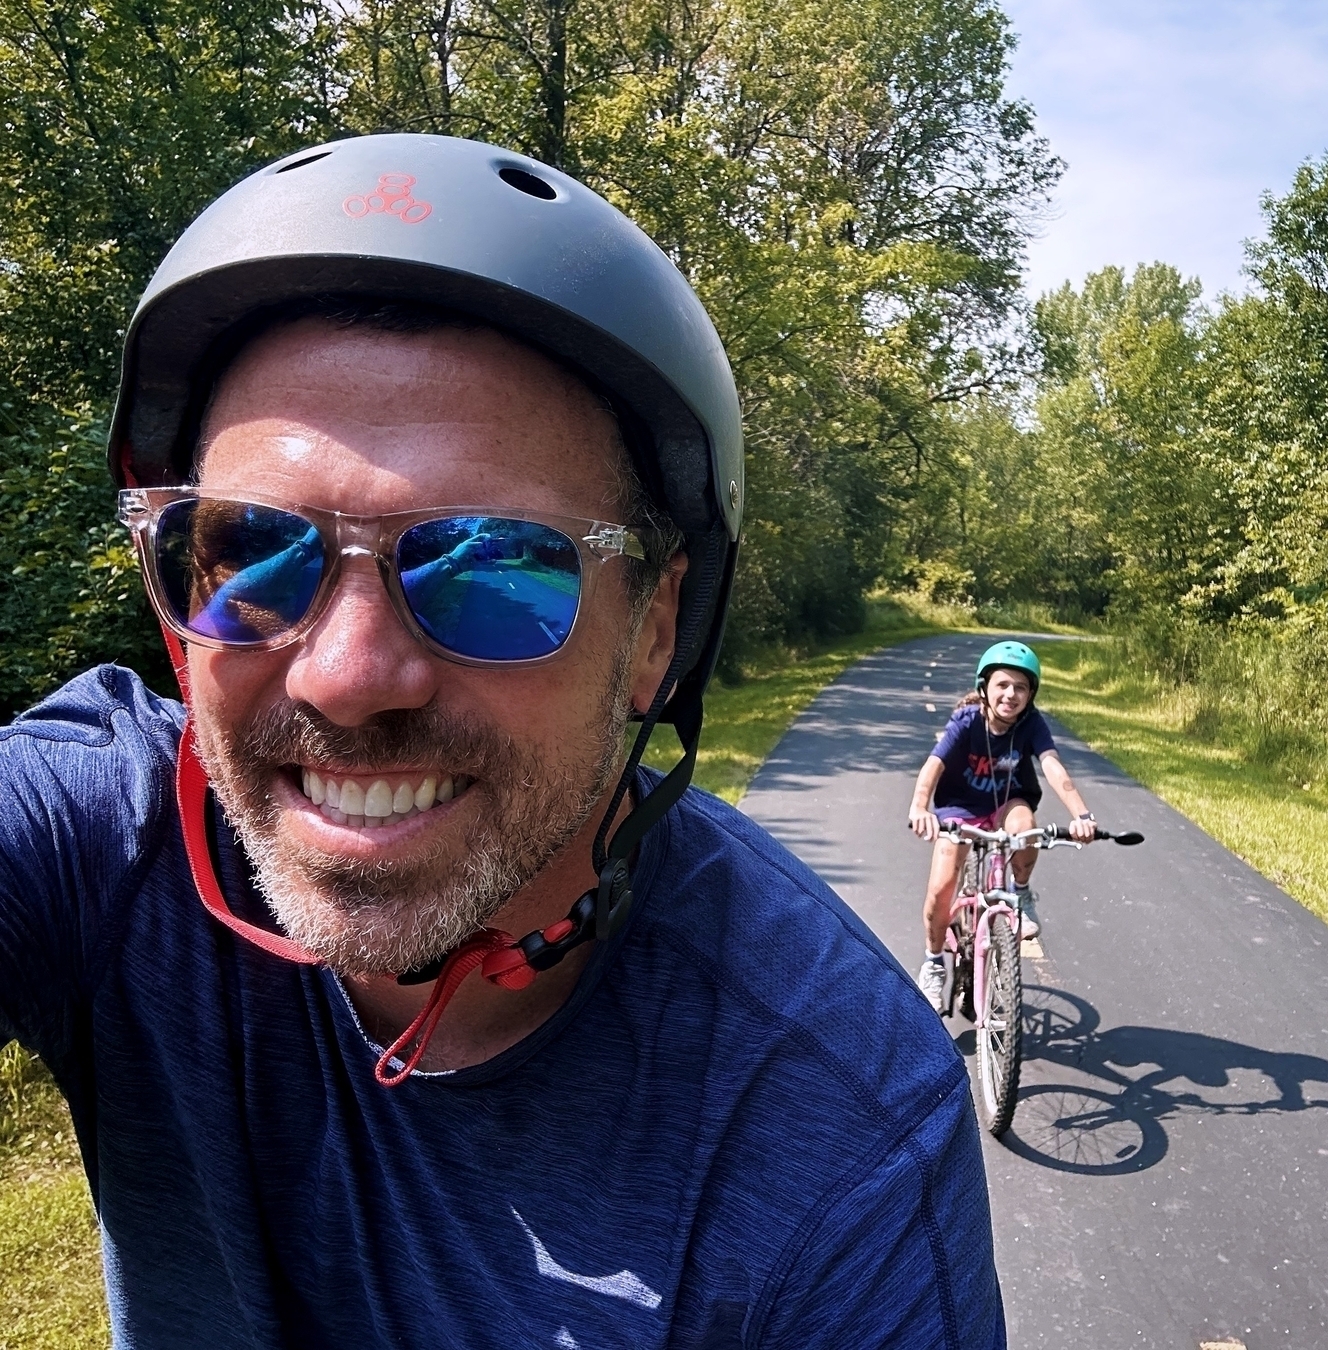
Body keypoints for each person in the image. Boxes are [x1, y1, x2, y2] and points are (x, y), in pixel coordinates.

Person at [0, 134, 1003, 1348]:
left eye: (495, 571)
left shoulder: (837, 1119)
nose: (351, 675)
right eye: (250, 554)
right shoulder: (103, 842)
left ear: (655, 632)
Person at [906, 641, 1097, 1007]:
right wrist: (920, 807)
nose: (1011, 694)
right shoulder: (967, 721)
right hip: (959, 808)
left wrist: (1082, 815)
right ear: (985, 688)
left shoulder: (1031, 725)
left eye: (1021, 687)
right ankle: (933, 963)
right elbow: (934, 765)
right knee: (942, 887)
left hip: (1007, 804)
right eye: (1002, 685)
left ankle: (1020, 891)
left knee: (1026, 828)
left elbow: (1052, 765)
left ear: (1031, 694)